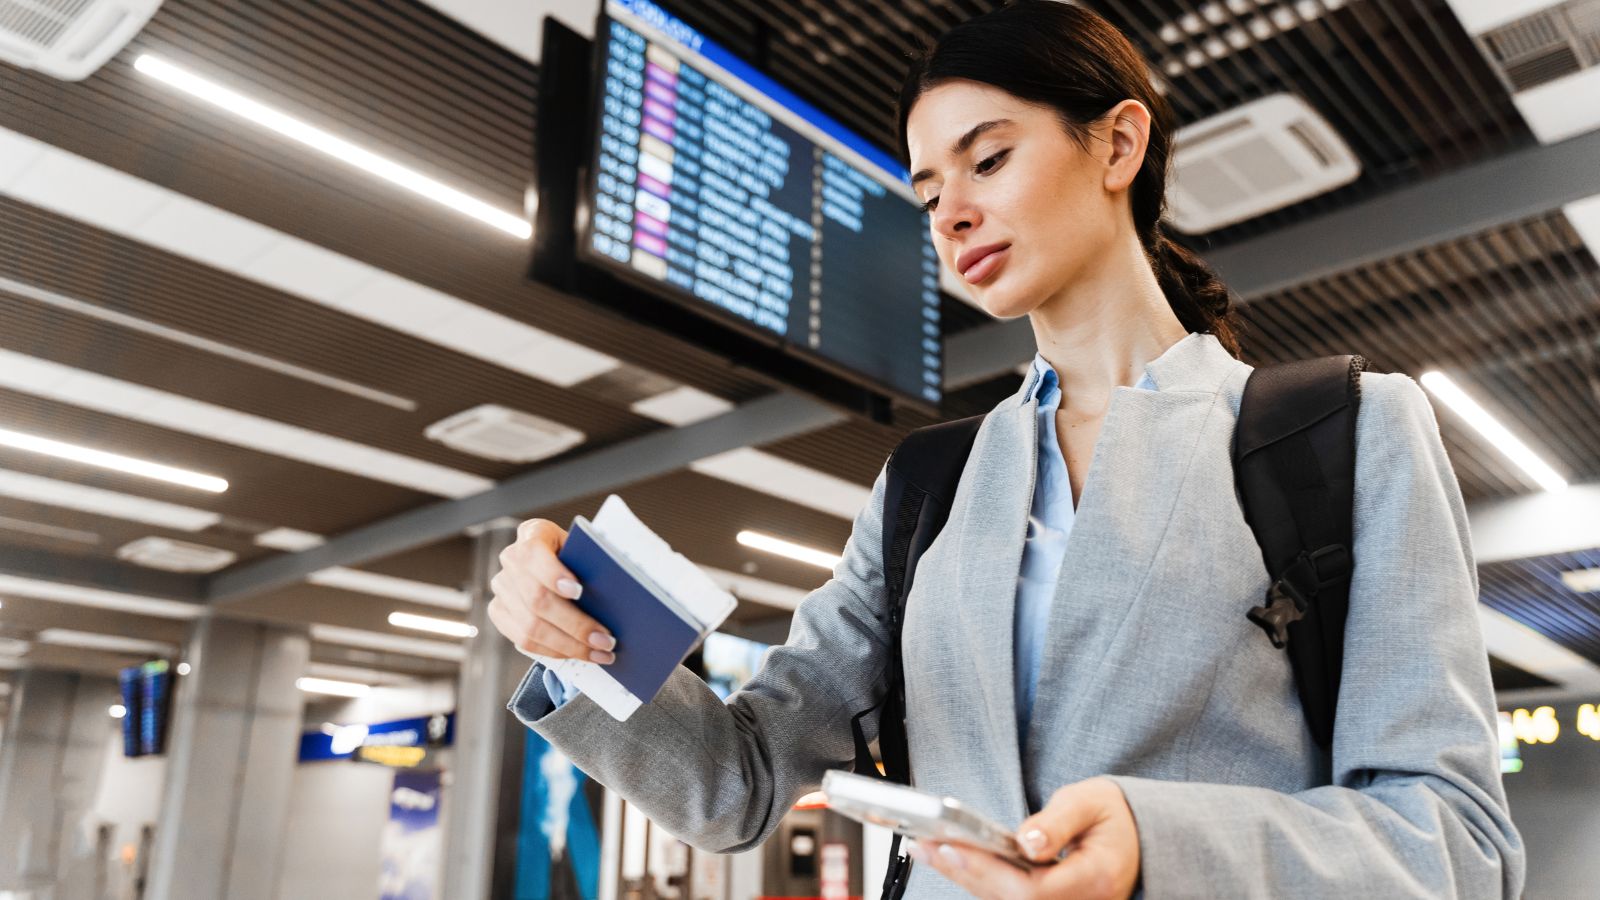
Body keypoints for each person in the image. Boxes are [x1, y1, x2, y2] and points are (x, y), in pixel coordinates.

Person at [488, 2, 1524, 897]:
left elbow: (1456, 845)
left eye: (988, 160)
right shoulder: (927, 488)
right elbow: (739, 780)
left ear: (1118, 146)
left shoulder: (1344, 434)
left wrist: (1155, 847)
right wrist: (580, 637)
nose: (953, 215)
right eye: (930, 193)